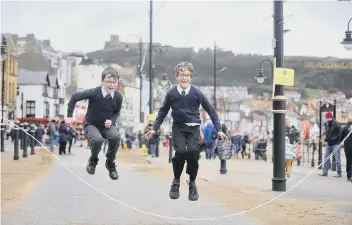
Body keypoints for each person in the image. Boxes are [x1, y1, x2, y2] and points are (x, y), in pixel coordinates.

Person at [145, 62, 227, 201]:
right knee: (181, 152)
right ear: (177, 76)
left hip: (194, 128)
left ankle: (192, 183)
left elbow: (211, 111)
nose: (185, 78)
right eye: (182, 75)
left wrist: (218, 129)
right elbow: (163, 112)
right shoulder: (171, 93)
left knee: (193, 154)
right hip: (179, 128)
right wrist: (154, 128)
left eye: (188, 75)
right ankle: (176, 181)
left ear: (191, 78)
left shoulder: (197, 93)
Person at [66, 67, 123, 180]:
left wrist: (111, 121)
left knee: (116, 137)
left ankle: (110, 163)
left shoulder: (118, 97)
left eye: (114, 82)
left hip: (107, 126)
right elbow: (74, 97)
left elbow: (116, 113)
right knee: (97, 140)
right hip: (91, 124)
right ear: (102, 82)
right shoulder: (94, 92)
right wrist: (69, 116)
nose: (112, 85)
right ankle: (93, 160)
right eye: (108, 82)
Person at [319, 112, 342, 177]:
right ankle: (325, 172)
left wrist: (332, 138)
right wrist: (326, 138)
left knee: (337, 158)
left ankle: (339, 172)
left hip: (335, 143)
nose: (328, 119)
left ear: (331, 117)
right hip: (329, 143)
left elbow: (339, 134)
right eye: (327, 118)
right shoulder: (327, 124)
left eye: (329, 117)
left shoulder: (337, 124)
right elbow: (328, 132)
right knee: (326, 157)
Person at [340, 116, 352, 182]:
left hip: (347, 148)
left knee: (349, 162)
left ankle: (349, 176)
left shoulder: (344, 128)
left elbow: (341, 138)